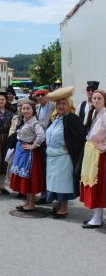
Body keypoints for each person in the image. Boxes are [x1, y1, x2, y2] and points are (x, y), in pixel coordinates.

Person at [45, 86, 86, 218]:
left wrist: (71, 147)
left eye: (64, 104)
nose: (61, 106)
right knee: (53, 182)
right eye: (59, 103)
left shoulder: (72, 118)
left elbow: (80, 136)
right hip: (52, 156)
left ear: (69, 105)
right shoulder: (55, 118)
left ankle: (63, 208)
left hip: (63, 157)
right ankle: (56, 206)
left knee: (62, 183)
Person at [9, 100, 46, 211]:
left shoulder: (34, 123)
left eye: (28, 108)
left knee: (29, 179)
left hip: (29, 155)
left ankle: (31, 204)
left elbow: (41, 135)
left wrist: (33, 146)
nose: (25, 110)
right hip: (22, 152)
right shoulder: (26, 121)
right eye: (23, 108)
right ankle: (28, 202)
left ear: (33, 110)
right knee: (25, 178)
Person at [80, 89, 106, 229]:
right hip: (91, 153)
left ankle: (97, 219)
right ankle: (97, 217)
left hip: (99, 156)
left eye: (99, 98)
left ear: (104, 100)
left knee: (99, 187)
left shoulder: (105, 114)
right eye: (94, 98)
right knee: (95, 186)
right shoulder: (96, 113)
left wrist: (105, 146)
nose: (96, 100)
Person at [34, 85, 55, 204]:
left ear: (47, 95)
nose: (41, 97)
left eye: (43, 94)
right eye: (38, 95)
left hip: (51, 141)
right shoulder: (36, 107)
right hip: (39, 141)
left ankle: (50, 193)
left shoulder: (54, 106)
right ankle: (43, 193)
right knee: (41, 168)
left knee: (50, 168)